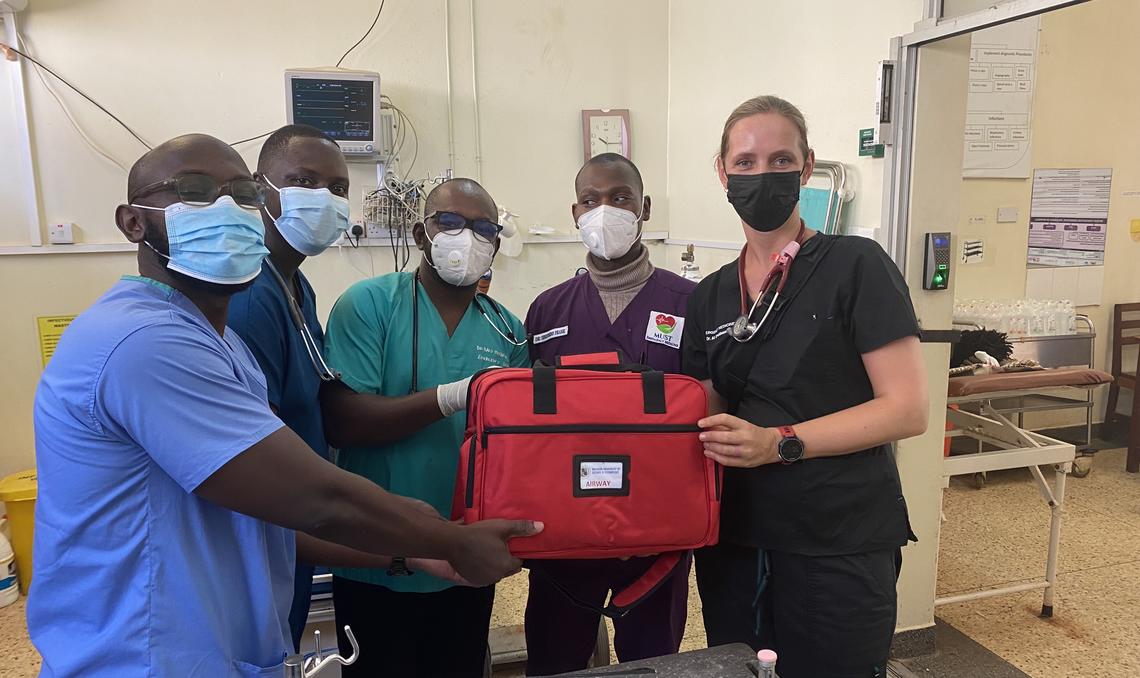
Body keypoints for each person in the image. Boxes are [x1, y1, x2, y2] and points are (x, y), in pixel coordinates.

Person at [30, 134, 540, 677]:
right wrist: (450, 540)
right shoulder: (144, 342)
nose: (227, 211)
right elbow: (310, 495)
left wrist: (408, 554)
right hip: (142, 654)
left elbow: (264, 516)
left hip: (222, 643)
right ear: (133, 222)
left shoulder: (224, 344)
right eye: (195, 193)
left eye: (243, 194)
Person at [681, 96, 929, 678]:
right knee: (740, 667)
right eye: (744, 162)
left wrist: (779, 442)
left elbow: (907, 408)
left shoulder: (855, 265)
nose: (760, 175)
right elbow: (704, 410)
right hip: (737, 544)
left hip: (837, 539)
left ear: (807, 166)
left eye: (779, 159)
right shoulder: (710, 295)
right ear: (721, 172)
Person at [321, 178, 531, 678]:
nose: (468, 237)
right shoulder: (368, 305)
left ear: (496, 245)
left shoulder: (507, 329)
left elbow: (515, 449)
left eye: (483, 229)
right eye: (451, 223)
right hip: (375, 555)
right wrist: (451, 396)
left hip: (467, 553)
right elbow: (343, 423)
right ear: (421, 234)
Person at [523, 153, 696, 675]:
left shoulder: (691, 302)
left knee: (652, 659)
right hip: (564, 528)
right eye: (591, 200)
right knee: (555, 657)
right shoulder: (547, 310)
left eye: (619, 198)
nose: (605, 211)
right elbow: (529, 425)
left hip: (658, 527)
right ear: (575, 211)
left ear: (643, 207)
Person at [226, 124, 350, 650]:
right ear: (260, 189)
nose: (322, 199)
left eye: (337, 189)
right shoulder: (252, 295)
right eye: (303, 181)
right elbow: (261, 457)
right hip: (269, 530)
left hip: (293, 527)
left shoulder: (295, 284)